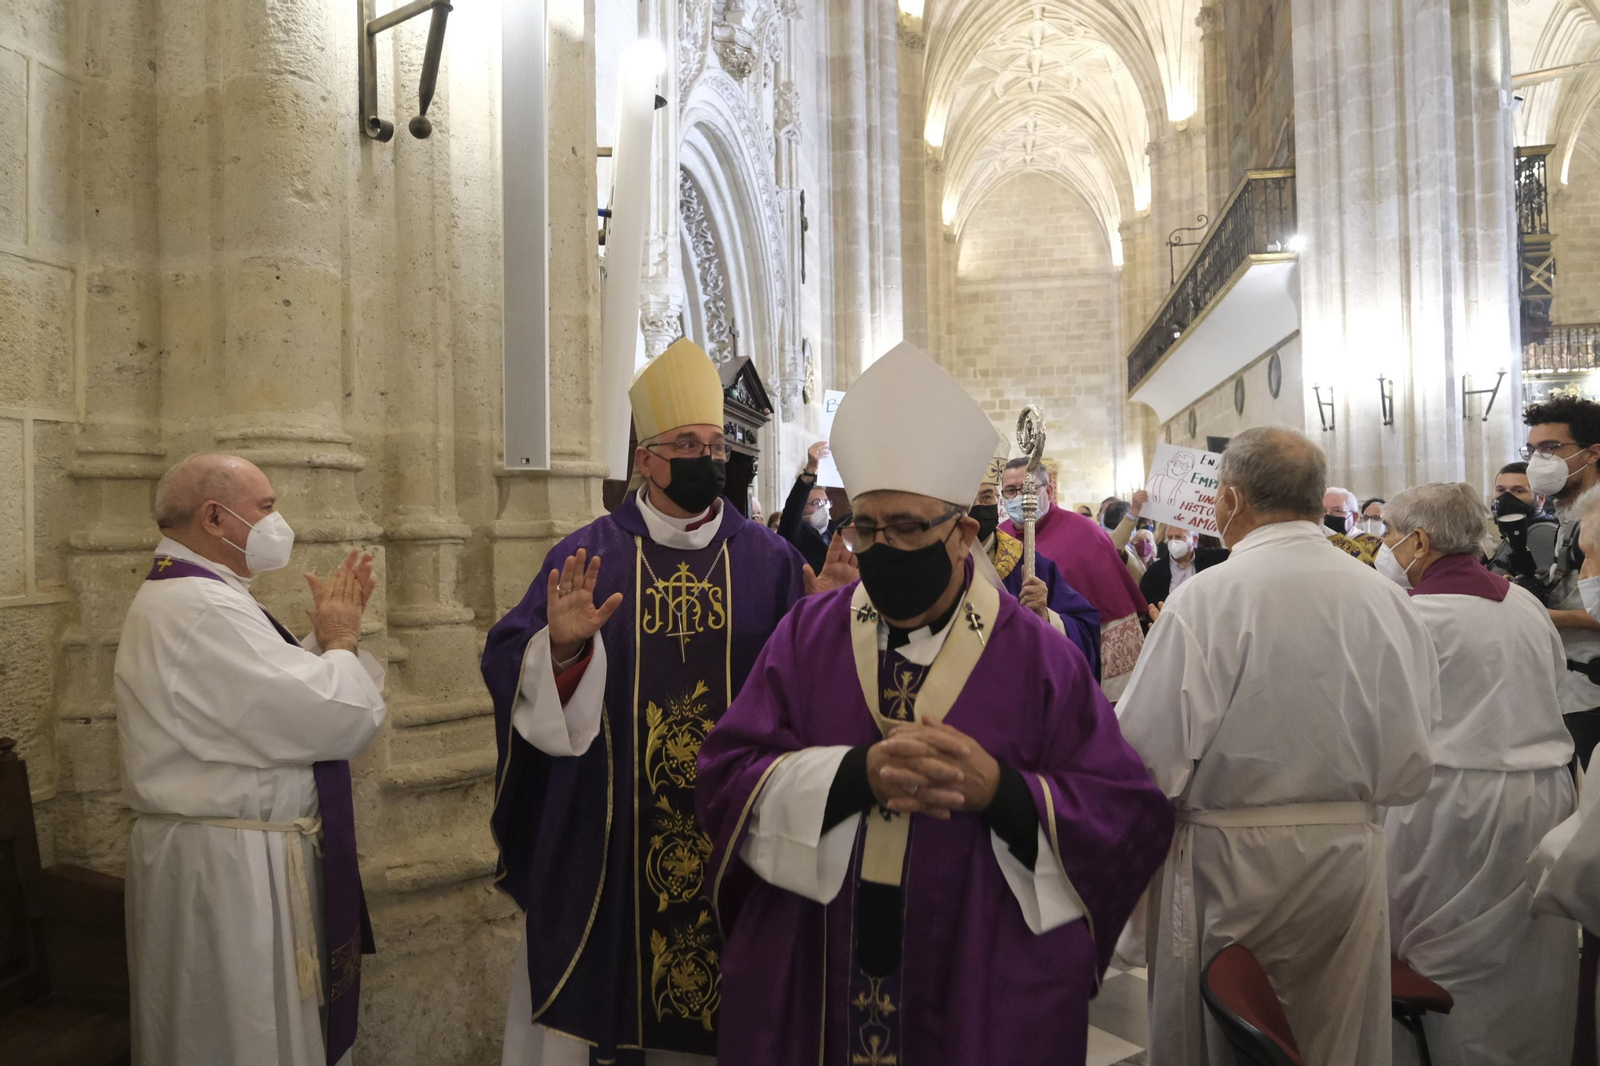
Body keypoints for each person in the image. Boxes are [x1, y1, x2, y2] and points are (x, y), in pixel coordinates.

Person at [695, 342, 1173, 1066]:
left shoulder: (1037, 657)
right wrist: (853, 776)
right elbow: (727, 775)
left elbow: (1125, 814)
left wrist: (1005, 792)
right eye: (866, 526)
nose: (881, 547)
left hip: (977, 982)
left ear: (964, 534)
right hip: (823, 972)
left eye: (907, 529)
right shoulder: (807, 637)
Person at [481, 339, 847, 1066]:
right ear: (645, 457)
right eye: (686, 444)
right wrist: (561, 650)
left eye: (716, 444)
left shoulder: (771, 562)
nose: (707, 458)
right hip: (612, 836)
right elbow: (505, 659)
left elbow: (808, 691)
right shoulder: (588, 556)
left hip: (733, 830)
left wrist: (826, 621)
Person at [1116, 426, 1439, 1066]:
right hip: (1348, 858)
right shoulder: (1388, 600)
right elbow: (1415, 752)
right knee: (1332, 1036)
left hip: (1229, 864)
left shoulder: (1207, 599)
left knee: (1228, 1041)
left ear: (1229, 500)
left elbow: (1145, 754)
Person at [115, 454, 387, 1066]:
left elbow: (258, 707)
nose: (276, 520)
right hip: (229, 873)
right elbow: (330, 719)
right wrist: (340, 641)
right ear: (215, 516)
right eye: (266, 507)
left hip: (238, 857)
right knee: (243, 1039)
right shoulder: (200, 606)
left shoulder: (201, 596)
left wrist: (322, 644)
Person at [1377, 483, 1577, 1065]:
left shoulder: (1413, 616)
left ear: (1419, 539)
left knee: (1434, 953)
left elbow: (1385, 717)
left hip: (1448, 802)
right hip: (1542, 796)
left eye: (1390, 535)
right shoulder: (1525, 603)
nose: (1385, 547)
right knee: (1526, 957)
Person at [999, 461, 1148, 699]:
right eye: (1011, 491)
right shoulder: (999, 539)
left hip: (1074, 665)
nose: (1019, 497)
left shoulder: (1086, 533)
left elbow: (1111, 613)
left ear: (1047, 491)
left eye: (1027, 489)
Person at [970, 444, 1102, 675]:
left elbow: (1085, 628)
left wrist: (1046, 615)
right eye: (972, 499)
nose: (979, 506)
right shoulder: (937, 562)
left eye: (987, 496)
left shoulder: (1029, 563)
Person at [1523, 397, 1600, 768]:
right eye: (1533, 449)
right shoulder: (1570, 513)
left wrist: (1545, 616)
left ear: (1592, 453)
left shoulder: (1597, 517)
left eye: (1551, 448)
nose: (1539, 460)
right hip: (1572, 688)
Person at [1488, 461, 1560, 593]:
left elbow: (1539, 594)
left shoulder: (1541, 533)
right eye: (1501, 490)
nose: (1506, 497)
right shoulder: (1516, 533)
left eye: (1518, 491)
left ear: (1541, 498)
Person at [1136, 525, 1228, 610]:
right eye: (1170, 537)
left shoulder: (1214, 560)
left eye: (1179, 537)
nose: (1173, 542)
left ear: (1194, 540)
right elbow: (1146, 605)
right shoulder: (1155, 572)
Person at [777, 440, 834, 572]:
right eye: (817, 503)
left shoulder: (834, 531)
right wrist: (810, 469)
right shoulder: (795, 534)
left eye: (826, 503)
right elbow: (793, 509)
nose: (823, 508)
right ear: (803, 508)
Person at [1324, 485, 1382, 563]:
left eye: (1337, 510)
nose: (1327, 515)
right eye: (1323, 510)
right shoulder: (1315, 539)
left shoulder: (1376, 545)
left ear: (1354, 517)